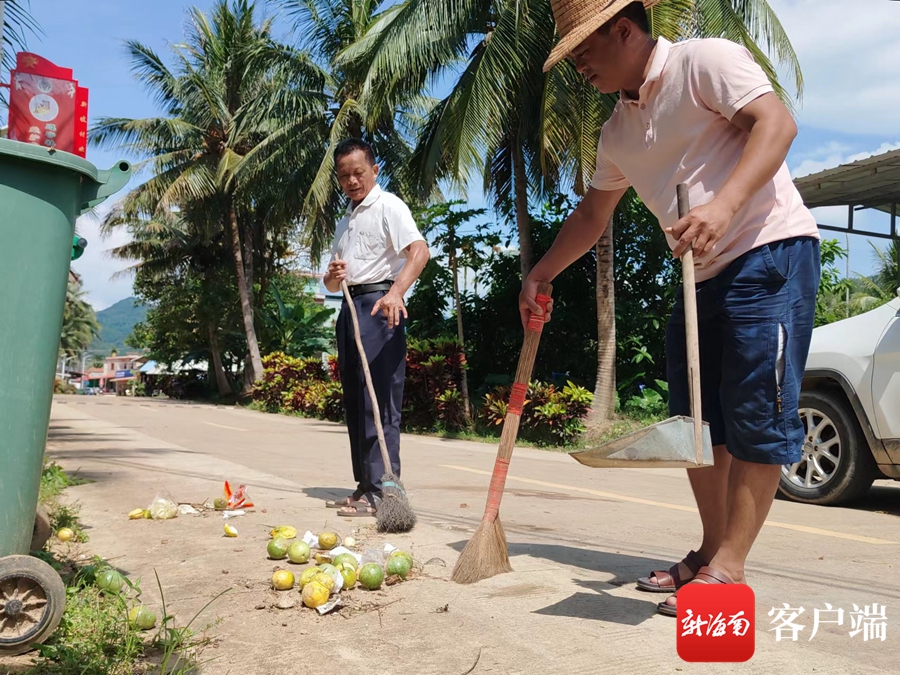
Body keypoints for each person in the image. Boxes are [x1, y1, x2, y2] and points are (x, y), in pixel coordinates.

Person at [525, 1, 821, 616]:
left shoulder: (704, 61)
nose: (579, 64)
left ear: (625, 30)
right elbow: (593, 214)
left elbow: (776, 123)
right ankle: (711, 551)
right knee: (698, 427)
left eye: (584, 49)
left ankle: (730, 570)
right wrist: (543, 270)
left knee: (759, 417)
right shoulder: (617, 132)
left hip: (770, 252)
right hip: (699, 275)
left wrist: (724, 206)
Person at [323, 138, 430, 517]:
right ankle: (364, 486)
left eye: (358, 172)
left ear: (374, 171)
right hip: (349, 308)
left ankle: (385, 492)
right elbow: (331, 284)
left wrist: (397, 293)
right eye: (344, 175)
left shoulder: (389, 206)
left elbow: (419, 251)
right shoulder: (346, 221)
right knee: (355, 401)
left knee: (379, 403)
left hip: (380, 307)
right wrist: (332, 277)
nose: (352, 181)